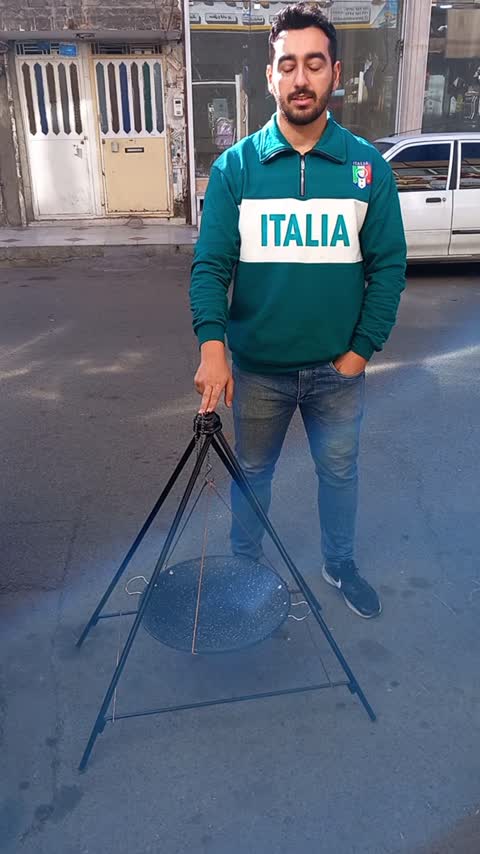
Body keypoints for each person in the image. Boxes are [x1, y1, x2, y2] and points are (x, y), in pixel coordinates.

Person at [189, 2, 407, 619]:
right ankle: (245, 572)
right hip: (259, 371)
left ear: (335, 73)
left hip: (337, 372)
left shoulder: (366, 168)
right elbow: (211, 266)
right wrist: (212, 346)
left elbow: (388, 267)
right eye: (288, 65)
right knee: (252, 476)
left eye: (314, 64)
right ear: (270, 77)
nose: (301, 78)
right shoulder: (236, 168)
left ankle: (340, 564)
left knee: (339, 474)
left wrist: (360, 352)